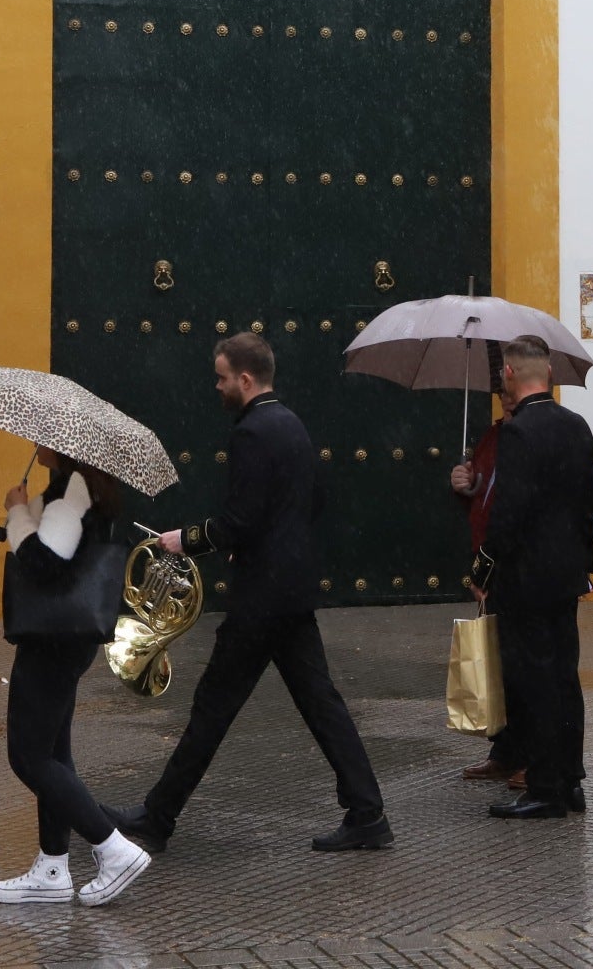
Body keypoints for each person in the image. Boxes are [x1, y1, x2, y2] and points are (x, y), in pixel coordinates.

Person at [109, 333, 391, 854]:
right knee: (320, 702)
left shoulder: (252, 432)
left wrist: (185, 539)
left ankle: (156, 819)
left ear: (245, 378)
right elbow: (304, 502)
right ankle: (367, 813)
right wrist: (265, 542)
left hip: (262, 598)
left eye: (221, 378)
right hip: (290, 590)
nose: (216, 387)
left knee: (213, 707)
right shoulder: (291, 424)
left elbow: (239, 519)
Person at [0, 447, 153, 909]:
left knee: (29, 757)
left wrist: (17, 512)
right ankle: (53, 867)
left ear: (63, 447)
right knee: (54, 754)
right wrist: (28, 508)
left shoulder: (71, 494)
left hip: (51, 643)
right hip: (66, 639)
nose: (33, 443)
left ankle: (113, 849)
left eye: (41, 439)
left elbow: (45, 561)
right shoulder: (74, 489)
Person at [476, 335, 593, 820]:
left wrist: (484, 566)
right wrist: (580, 560)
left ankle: (545, 787)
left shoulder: (519, 433)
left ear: (508, 374)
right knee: (564, 676)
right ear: (548, 372)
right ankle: (570, 780)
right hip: (565, 574)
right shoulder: (576, 426)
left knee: (533, 679)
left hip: (526, 577)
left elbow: (509, 512)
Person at [448, 346, 521, 785]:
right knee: (499, 661)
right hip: (490, 561)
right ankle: (505, 749)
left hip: (517, 567)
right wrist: (466, 485)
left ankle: (531, 754)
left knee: (522, 666)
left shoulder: (531, 437)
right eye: (500, 393)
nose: (505, 399)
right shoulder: (494, 437)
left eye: (509, 390)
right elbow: (484, 498)